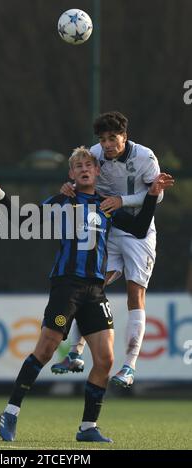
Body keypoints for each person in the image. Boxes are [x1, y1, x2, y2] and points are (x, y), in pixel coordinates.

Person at [0, 146, 173, 443]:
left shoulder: (106, 205)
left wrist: (152, 194)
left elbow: (139, 227)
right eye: (78, 165)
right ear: (71, 174)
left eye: (88, 165)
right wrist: (1, 197)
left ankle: (88, 427)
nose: (84, 168)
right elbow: (24, 220)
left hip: (94, 289)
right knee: (44, 351)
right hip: (66, 286)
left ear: (97, 172)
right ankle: (11, 411)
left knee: (106, 360)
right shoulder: (62, 201)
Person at [51, 111, 164, 387]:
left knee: (135, 294)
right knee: (93, 285)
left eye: (113, 138)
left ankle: (129, 367)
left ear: (125, 137)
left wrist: (121, 200)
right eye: (103, 139)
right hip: (110, 228)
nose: (108, 145)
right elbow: (82, 178)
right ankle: (75, 353)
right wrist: (69, 186)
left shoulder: (145, 157)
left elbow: (156, 195)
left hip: (139, 230)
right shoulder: (94, 154)